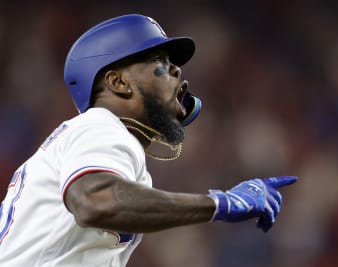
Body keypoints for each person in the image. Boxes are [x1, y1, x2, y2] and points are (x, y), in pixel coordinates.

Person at [0, 14, 297, 267]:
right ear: (118, 82)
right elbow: (94, 202)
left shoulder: (102, 141)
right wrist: (220, 203)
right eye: (159, 62)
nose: (177, 70)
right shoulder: (99, 126)